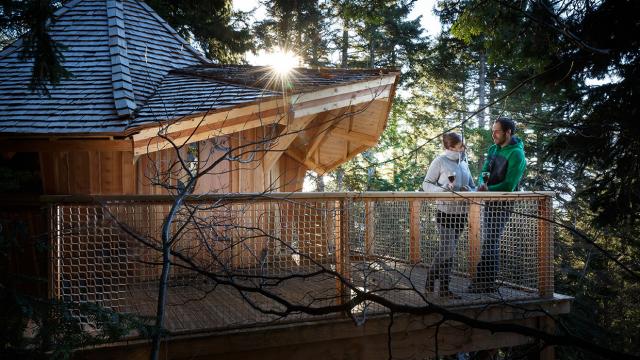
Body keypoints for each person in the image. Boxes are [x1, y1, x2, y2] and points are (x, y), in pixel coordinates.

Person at [470, 117, 527, 293]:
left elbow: (509, 185)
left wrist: (487, 190)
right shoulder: (493, 149)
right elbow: (484, 172)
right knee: (490, 240)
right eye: (492, 130)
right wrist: (481, 184)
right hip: (489, 200)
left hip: (503, 203)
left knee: (491, 240)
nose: (493, 134)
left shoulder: (517, 154)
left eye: (497, 131)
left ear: (508, 132)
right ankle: (486, 283)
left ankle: (483, 282)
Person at [422, 132, 475, 297]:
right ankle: (431, 279)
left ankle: (444, 288)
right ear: (450, 147)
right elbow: (426, 184)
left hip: (461, 213)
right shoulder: (439, 161)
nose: (464, 147)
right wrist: (444, 191)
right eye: (461, 145)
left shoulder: (464, 162)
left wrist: (470, 190)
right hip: (444, 211)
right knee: (448, 250)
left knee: (450, 251)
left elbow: (472, 186)